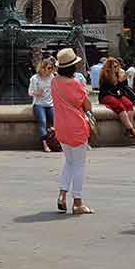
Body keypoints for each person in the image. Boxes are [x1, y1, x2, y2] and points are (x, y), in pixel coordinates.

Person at [51, 48, 94, 215]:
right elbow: (87, 106)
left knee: (69, 162)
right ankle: (78, 202)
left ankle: (62, 195)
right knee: (79, 165)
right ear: (72, 68)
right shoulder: (76, 84)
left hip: (61, 127)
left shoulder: (54, 82)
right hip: (76, 127)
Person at [98, 58, 135, 139]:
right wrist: (119, 81)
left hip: (116, 95)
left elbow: (123, 88)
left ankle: (128, 130)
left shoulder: (118, 74)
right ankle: (131, 129)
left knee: (129, 104)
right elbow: (109, 90)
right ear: (109, 67)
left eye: (117, 66)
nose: (117, 68)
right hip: (106, 95)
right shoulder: (105, 75)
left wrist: (123, 80)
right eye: (114, 66)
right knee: (120, 106)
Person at [29, 58, 56, 151]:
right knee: (42, 122)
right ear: (42, 68)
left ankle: (56, 142)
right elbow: (30, 92)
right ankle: (45, 145)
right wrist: (36, 93)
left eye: (51, 68)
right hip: (39, 104)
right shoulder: (34, 78)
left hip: (50, 104)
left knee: (55, 122)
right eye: (49, 68)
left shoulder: (52, 77)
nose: (50, 70)